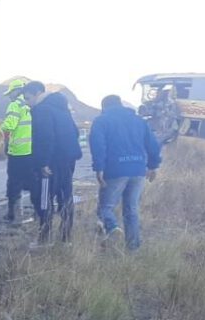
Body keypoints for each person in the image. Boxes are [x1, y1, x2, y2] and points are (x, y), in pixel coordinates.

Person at [89, 95, 163, 251]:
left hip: (115, 170)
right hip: (138, 170)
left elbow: (98, 146)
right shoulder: (139, 121)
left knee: (104, 208)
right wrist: (153, 166)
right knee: (131, 210)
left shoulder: (101, 121)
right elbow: (153, 145)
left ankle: (112, 228)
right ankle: (133, 249)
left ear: (104, 107)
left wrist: (99, 168)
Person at [23, 81, 82, 242]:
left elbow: (44, 138)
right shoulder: (63, 109)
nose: (27, 103)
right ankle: (66, 238)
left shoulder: (42, 110)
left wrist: (43, 163)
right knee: (65, 198)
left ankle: (44, 238)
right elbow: (75, 133)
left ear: (37, 94)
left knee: (44, 199)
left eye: (28, 98)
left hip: (50, 164)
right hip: (67, 162)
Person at [0, 79, 38, 223]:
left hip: (18, 153)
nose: (10, 96)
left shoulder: (15, 105)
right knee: (34, 183)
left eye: (11, 93)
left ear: (17, 91)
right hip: (33, 151)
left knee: (14, 184)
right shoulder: (33, 105)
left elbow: (9, 125)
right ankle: (38, 215)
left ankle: (14, 216)